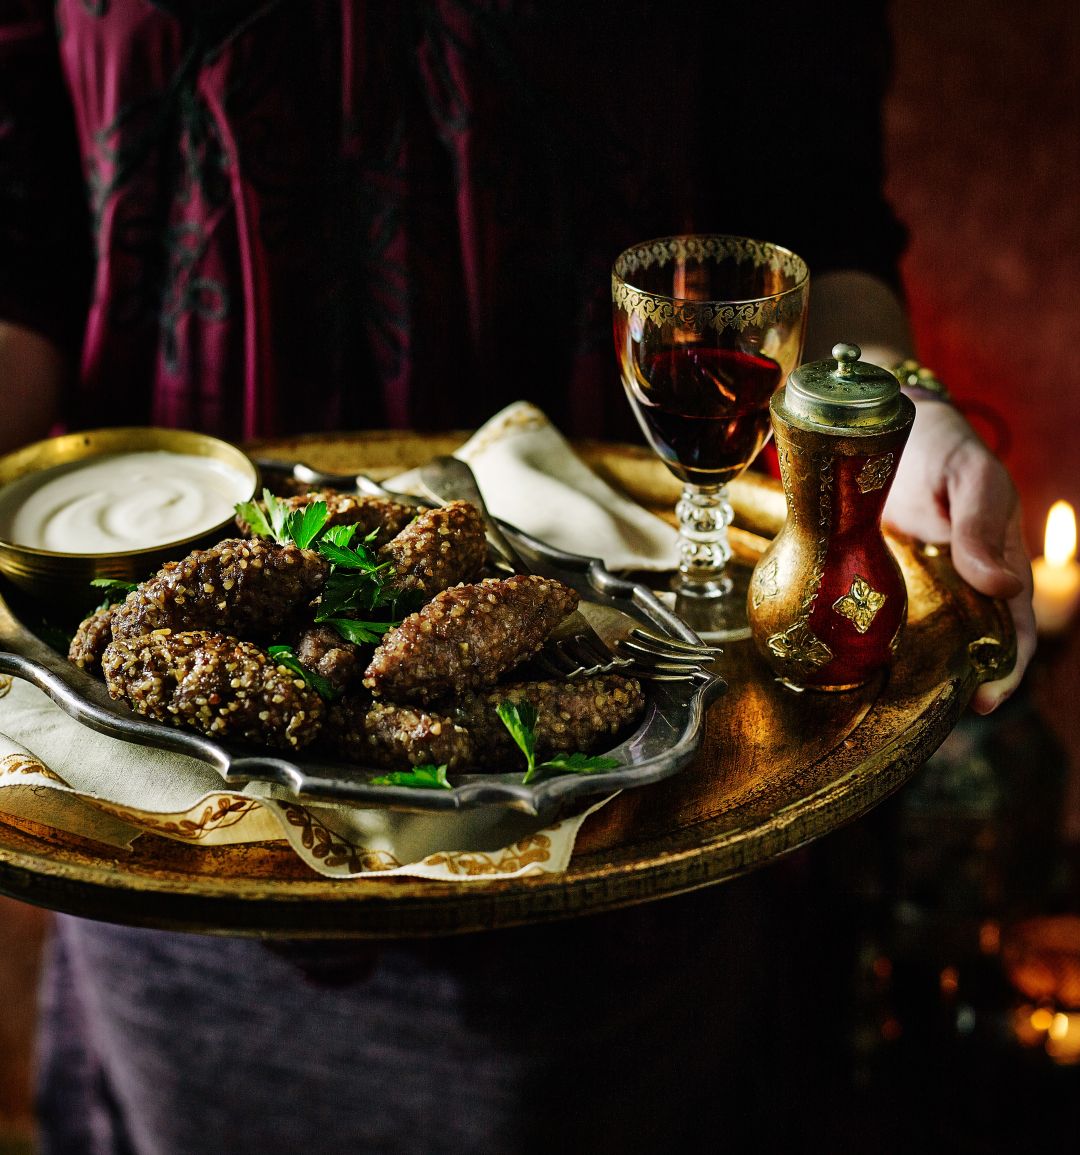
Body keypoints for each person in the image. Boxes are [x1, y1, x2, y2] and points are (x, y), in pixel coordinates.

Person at [0, 2, 1035, 1151]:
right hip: (175, 837)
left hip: (616, 857)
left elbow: (811, 212)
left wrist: (888, 420)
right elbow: (22, 250)